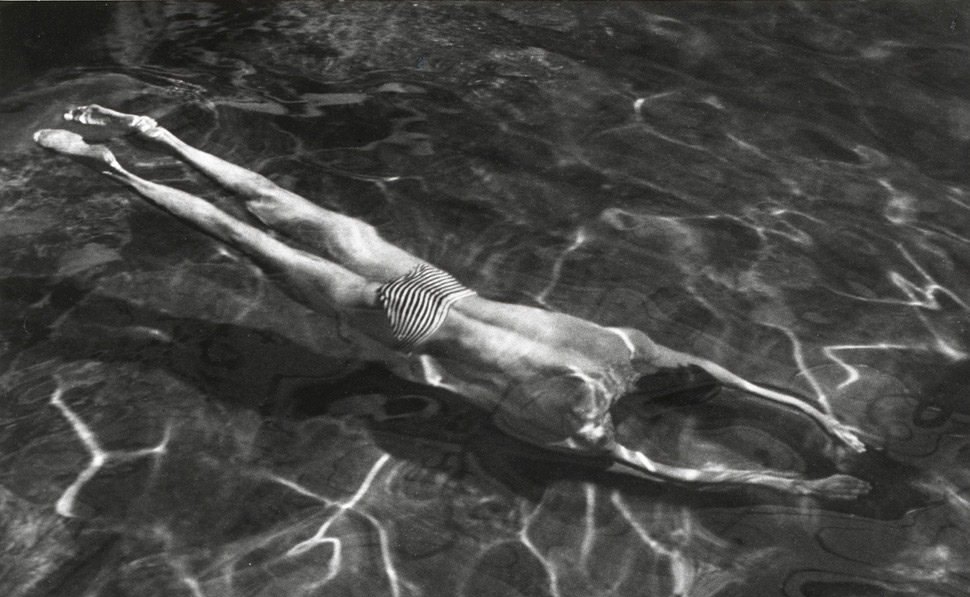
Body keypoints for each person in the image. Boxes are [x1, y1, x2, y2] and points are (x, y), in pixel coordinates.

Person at [34, 105, 870, 500]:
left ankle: (161, 137)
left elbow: (727, 382)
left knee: (288, 209)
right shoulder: (579, 422)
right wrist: (796, 484)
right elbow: (673, 471)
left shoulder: (628, 348)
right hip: (408, 321)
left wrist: (820, 419)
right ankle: (107, 166)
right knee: (248, 242)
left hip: (436, 283)